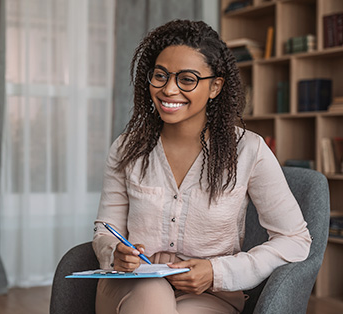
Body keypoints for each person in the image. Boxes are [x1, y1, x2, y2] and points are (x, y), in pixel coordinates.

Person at [93, 20, 311, 314]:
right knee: (152, 296)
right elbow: (106, 230)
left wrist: (217, 271)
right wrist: (115, 254)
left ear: (215, 87)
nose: (169, 89)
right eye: (160, 76)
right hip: (130, 285)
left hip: (210, 295)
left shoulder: (248, 150)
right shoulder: (127, 148)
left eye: (187, 79)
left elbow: (295, 240)